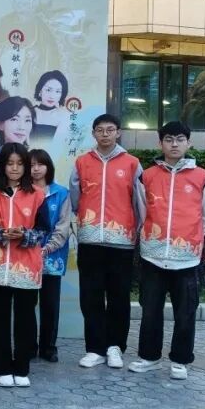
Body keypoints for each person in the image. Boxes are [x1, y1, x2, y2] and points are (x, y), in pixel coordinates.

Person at [129, 122, 205, 381]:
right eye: (169, 139)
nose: (174, 144)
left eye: (180, 139)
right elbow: (141, 212)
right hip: (153, 256)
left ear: (188, 143)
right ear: (160, 143)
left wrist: (190, 237)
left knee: (185, 312)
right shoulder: (147, 176)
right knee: (150, 310)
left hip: (186, 259)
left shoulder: (203, 177)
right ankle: (149, 357)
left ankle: (180, 359)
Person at [69, 113, 144, 370]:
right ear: (93, 134)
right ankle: (95, 349)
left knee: (118, 297)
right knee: (90, 296)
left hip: (121, 243)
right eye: (100, 130)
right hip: (90, 241)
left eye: (110, 130)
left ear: (118, 133)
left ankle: (115, 347)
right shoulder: (82, 162)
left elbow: (139, 202)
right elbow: (76, 198)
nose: (105, 134)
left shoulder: (132, 163)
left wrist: (135, 231)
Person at [0, 143, 51, 388]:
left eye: (19, 163)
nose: (14, 168)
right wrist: (0, 234)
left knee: (25, 318)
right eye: (10, 163)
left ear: (26, 166)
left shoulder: (37, 194)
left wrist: (24, 235)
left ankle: (22, 367)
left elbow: (43, 230)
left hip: (26, 266)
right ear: (2, 165)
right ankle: (3, 367)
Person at [29, 149, 71, 363]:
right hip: (26, 256)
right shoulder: (23, 192)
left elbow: (63, 225)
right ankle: (29, 346)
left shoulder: (61, 193)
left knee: (50, 304)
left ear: (48, 167)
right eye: (31, 165)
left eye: (40, 164)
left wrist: (48, 247)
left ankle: (48, 347)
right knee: (27, 303)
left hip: (53, 258)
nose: (36, 169)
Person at [33, 71, 72, 137]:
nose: (52, 96)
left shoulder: (64, 116)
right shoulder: (28, 112)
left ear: (62, 94)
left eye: (58, 91)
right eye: (48, 90)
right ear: (40, 91)